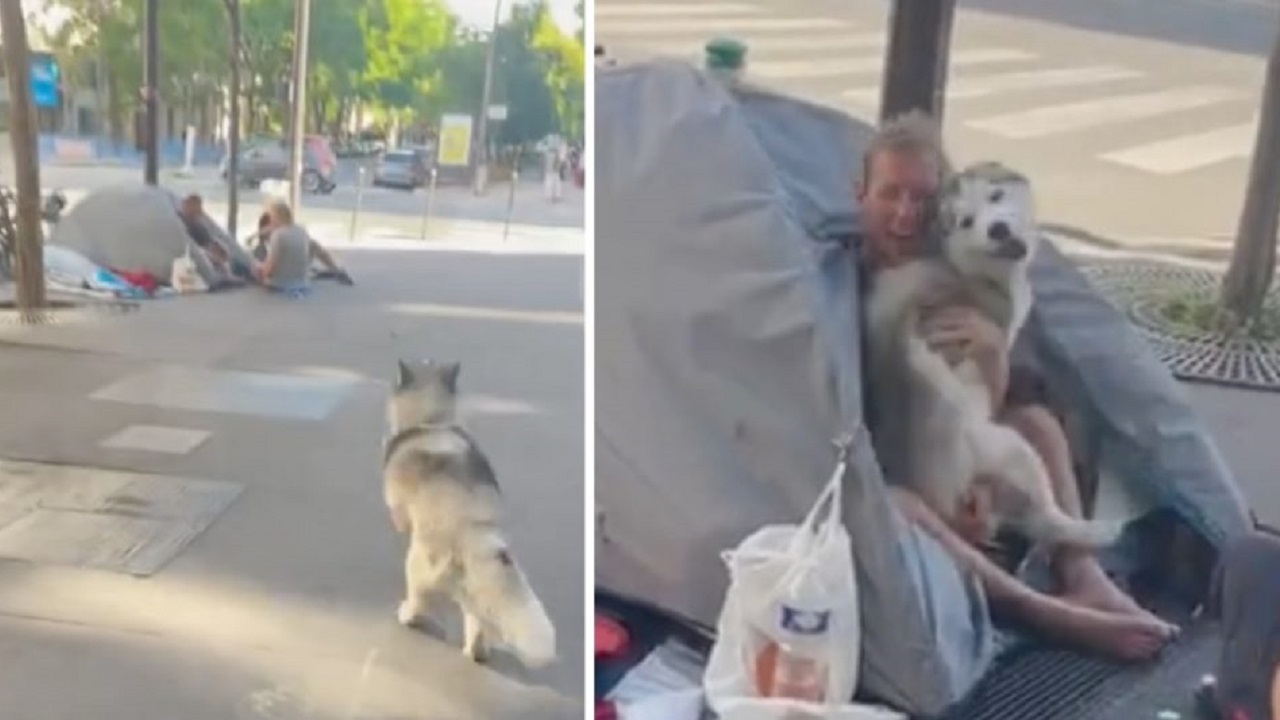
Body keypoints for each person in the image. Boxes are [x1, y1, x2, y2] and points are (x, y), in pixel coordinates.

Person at [854, 111, 1179, 662]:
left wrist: (991, 350)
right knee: (900, 501)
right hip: (891, 471)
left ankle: (1082, 573)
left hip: (961, 449)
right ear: (860, 193)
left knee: (1039, 424)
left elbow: (996, 400)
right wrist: (944, 492)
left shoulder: (956, 269)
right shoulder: (844, 276)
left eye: (921, 199)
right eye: (891, 195)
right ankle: (1040, 610)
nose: (906, 214)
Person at [254, 200, 353, 291]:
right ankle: (333, 270)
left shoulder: (284, 232)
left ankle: (334, 269)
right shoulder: (265, 245)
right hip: (288, 274)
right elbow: (268, 267)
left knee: (312, 245)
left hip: (286, 275)